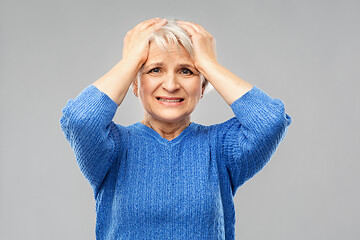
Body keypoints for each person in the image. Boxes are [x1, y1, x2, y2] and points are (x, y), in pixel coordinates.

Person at [60, 17, 292, 240]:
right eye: (155, 70)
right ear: (133, 83)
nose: (171, 85)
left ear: (203, 85)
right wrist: (131, 60)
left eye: (186, 71)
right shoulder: (113, 149)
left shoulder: (220, 148)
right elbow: (80, 119)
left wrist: (207, 63)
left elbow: (271, 121)